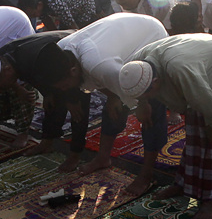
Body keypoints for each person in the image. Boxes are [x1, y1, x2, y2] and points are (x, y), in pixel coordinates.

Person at [119, 33, 212, 219]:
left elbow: (209, 105)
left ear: (155, 83)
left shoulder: (180, 70)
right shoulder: (137, 65)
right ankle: (183, 185)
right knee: (194, 136)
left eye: (149, 95)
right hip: (200, 66)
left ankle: (210, 200)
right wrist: (141, 104)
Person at [52, 13, 170, 193]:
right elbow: (99, 80)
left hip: (149, 36)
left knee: (151, 114)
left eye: (65, 85)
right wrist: (113, 96)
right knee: (113, 106)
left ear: (73, 71)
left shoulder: (99, 63)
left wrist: (143, 105)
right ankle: (103, 158)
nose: (64, 90)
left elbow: (123, 83)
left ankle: (146, 174)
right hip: (119, 44)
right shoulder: (61, 51)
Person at [0, 31, 84, 171]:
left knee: (78, 111)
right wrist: (47, 93)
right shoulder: (5, 56)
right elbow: (34, 76)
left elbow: (64, 78)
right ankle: (47, 143)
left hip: (73, 57)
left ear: (7, 70)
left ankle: (75, 155)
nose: (3, 88)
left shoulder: (35, 60)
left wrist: (70, 100)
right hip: (53, 67)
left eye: (1, 84)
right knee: (52, 103)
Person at [17, 0, 96, 30]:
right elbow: (47, 21)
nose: (34, 17)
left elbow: (73, 26)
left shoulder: (56, 2)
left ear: (39, 5)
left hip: (84, 5)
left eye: (34, 15)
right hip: (68, 8)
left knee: (81, 30)